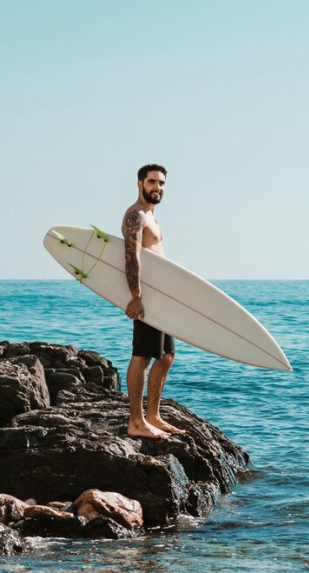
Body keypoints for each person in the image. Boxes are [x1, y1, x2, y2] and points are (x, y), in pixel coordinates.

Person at [122, 163, 184, 439]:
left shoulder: (152, 216)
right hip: (146, 296)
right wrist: (136, 296)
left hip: (161, 296)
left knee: (167, 356)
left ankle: (153, 415)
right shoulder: (136, 215)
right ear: (139, 184)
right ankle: (135, 422)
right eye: (151, 182)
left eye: (161, 183)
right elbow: (132, 256)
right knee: (142, 356)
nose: (157, 187)